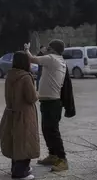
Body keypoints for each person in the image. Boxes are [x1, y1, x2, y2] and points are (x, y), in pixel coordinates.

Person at [25, 39, 69, 172]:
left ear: (52, 49)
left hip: (52, 102)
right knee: (47, 130)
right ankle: (53, 155)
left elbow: (32, 59)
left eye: (49, 47)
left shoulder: (52, 58)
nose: (47, 48)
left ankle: (62, 159)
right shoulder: (58, 59)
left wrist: (27, 48)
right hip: (49, 101)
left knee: (53, 131)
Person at [0, 52, 40, 180]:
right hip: (24, 113)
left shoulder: (10, 75)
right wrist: (38, 93)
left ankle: (16, 167)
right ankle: (20, 171)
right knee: (25, 140)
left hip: (11, 111)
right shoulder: (25, 77)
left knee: (14, 140)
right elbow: (31, 97)